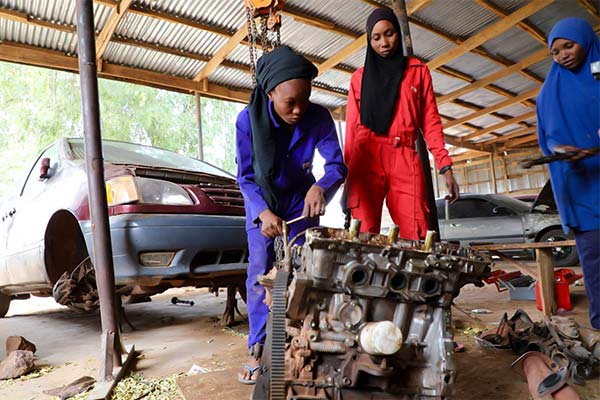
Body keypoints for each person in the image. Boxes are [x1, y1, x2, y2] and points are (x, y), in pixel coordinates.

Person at [235, 45, 347, 383]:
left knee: (305, 270)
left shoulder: (319, 117)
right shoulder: (247, 122)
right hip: (264, 203)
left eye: (305, 100)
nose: (299, 110)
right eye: (290, 103)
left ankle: (304, 341)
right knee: (260, 274)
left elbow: (337, 165)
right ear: (270, 94)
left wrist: (322, 187)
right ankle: (258, 349)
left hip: (301, 201)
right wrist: (263, 213)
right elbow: (246, 177)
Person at [344, 7, 459, 240]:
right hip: (366, 157)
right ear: (369, 40)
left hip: (405, 156)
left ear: (397, 32)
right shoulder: (359, 79)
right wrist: (348, 177)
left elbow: (431, 123)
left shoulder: (418, 71)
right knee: (362, 233)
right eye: (376, 38)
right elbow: (351, 131)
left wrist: (445, 165)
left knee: (416, 233)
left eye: (389, 34)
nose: (384, 43)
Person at [536, 17, 600, 329]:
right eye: (555, 51)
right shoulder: (550, 92)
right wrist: (561, 150)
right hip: (582, 189)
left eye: (568, 45)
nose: (562, 54)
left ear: (586, 40)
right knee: (594, 262)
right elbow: (547, 136)